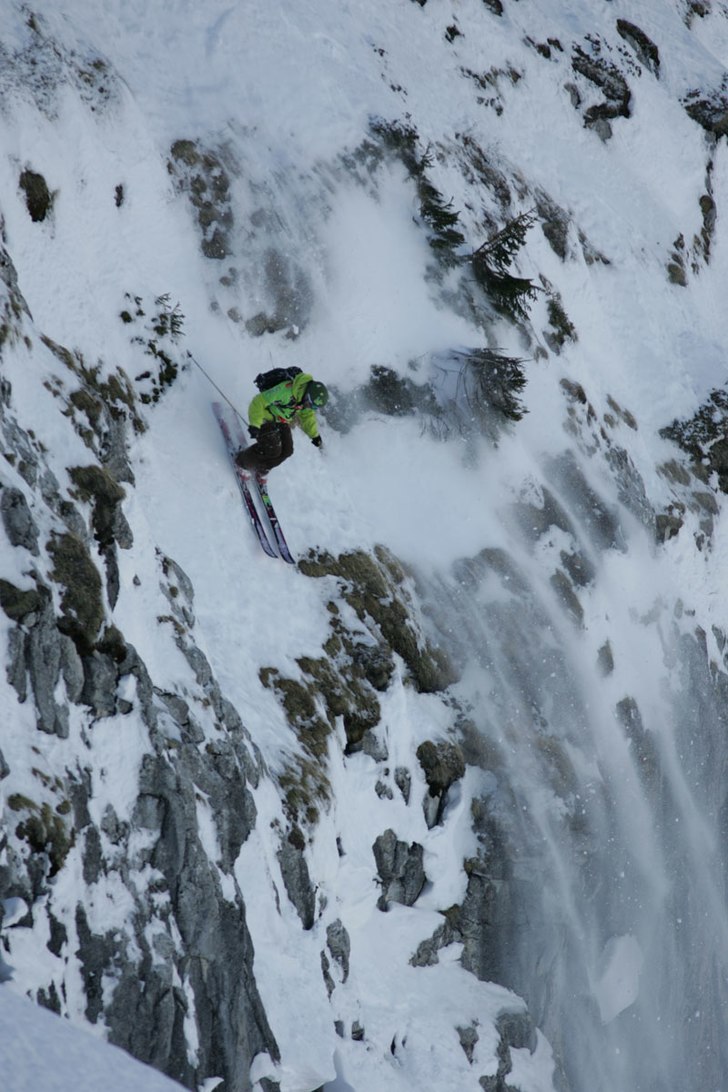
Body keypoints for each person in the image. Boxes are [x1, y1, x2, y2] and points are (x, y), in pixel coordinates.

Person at [235, 372, 328, 479]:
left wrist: (314, 435)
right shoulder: (286, 391)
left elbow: (307, 416)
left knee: (287, 450)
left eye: (313, 407)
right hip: (265, 417)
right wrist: (255, 424)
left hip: (281, 421)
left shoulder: (304, 402)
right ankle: (241, 462)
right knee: (273, 450)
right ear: (307, 394)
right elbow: (259, 401)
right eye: (310, 403)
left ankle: (262, 468)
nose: (309, 407)